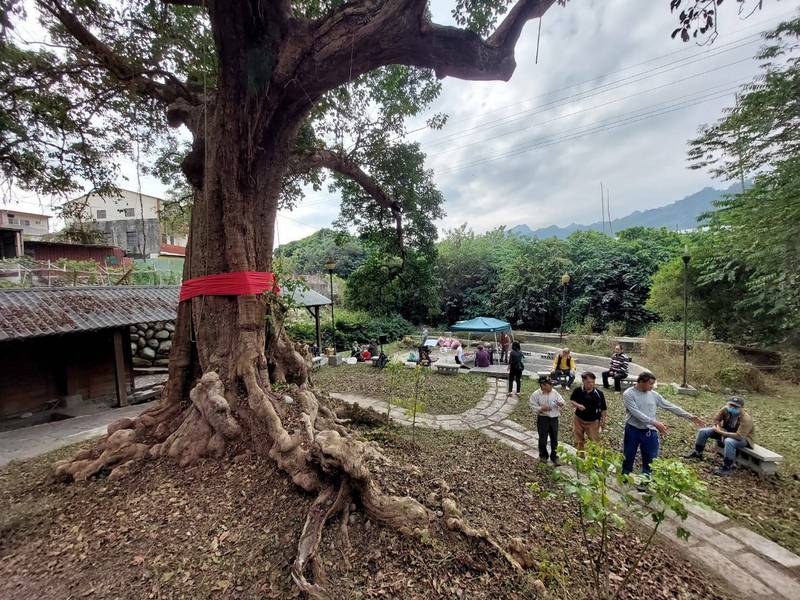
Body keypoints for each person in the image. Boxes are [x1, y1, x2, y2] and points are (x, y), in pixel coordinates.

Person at [622, 372, 705, 479]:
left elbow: (670, 406)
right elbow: (636, 413)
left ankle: (646, 479)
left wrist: (690, 416)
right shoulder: (629, 394)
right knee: (628, 454)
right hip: (633, 429)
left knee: (651, 457)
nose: (652, 386)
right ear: (641, 382)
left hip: (649, 431)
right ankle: (625, 475)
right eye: (650, 384)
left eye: (653, 384)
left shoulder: (653, 395)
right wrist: (656, 423)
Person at [685, 397, 754, 477]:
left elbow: (739, 436)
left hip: (744, 438)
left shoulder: (746, 419)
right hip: (726, 431)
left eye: (736, 407)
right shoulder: (725, 409)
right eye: (730, 405)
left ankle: (727, 467)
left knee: (729, 441)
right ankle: (697, 453)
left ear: (741, 408)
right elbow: (716, 419)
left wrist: (722, 433)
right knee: (703, 431)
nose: (732, 407)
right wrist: (720, 428)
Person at [530, 376, 565, 464]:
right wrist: (541, 408)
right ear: (543, 385)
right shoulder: (536, 394)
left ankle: (554, 456)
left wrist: (560, 403)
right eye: (550, 384)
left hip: (554, 419)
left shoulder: (554, 392)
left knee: (554, 438)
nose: (552, 386)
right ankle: (543, 456)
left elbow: (562, 401)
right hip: (543, 419)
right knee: (542, 438)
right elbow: (532, 406)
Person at [570, 372, 607, 451]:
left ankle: (594, 459)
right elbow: (572, 400)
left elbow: (603, 408)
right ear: (583, 381)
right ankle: (580, 457)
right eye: (588, 382)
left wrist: (603, 421)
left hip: (593, 421)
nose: (591, 384)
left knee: (594, 441)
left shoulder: (599, 393)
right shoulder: (578, 390)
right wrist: (578, 405)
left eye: (593, 382)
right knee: (578, 439)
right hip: (578, 418)